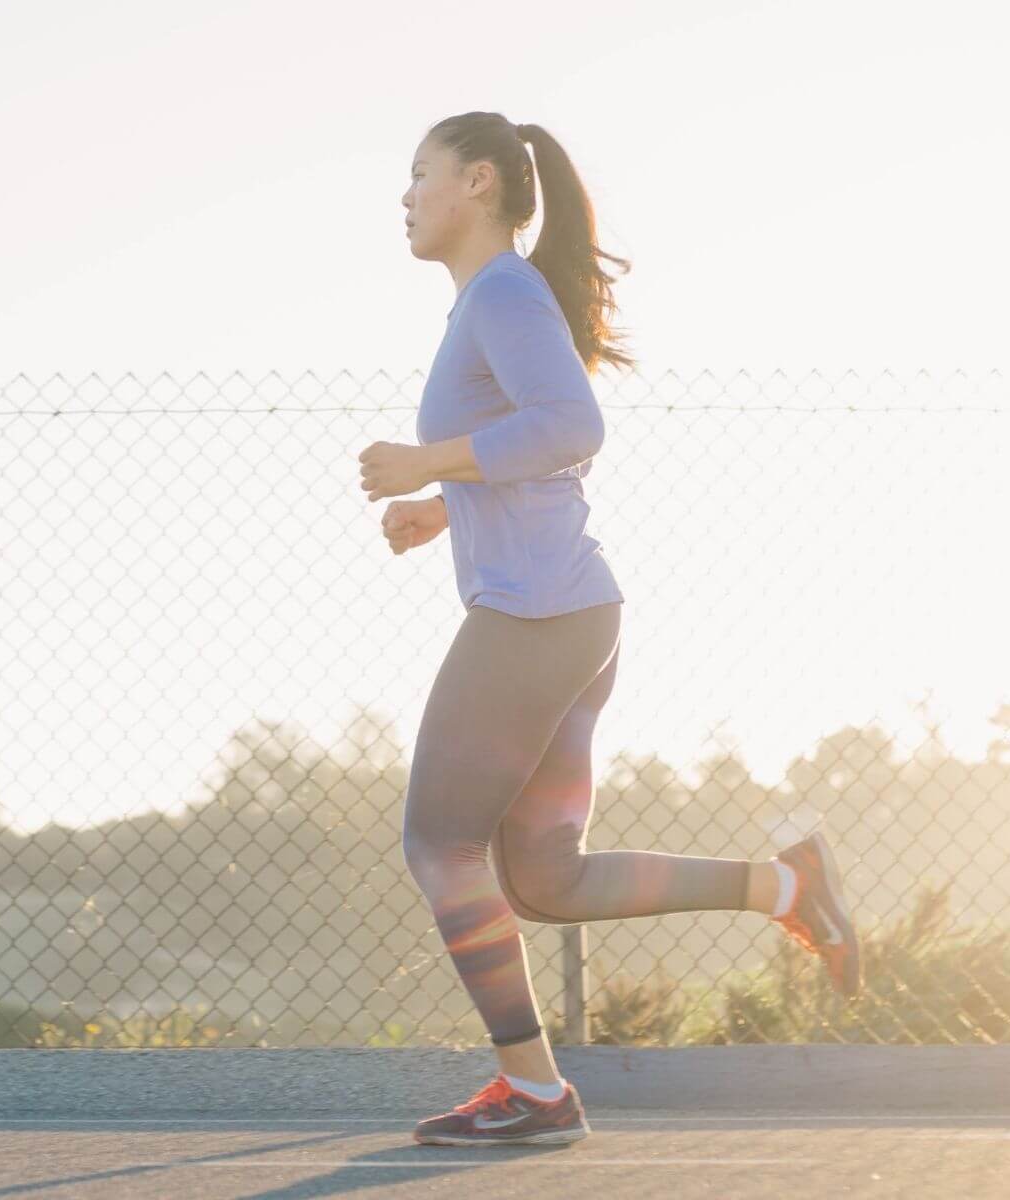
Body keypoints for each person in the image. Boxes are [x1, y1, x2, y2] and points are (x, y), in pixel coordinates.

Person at [356, 111, 863, 1148]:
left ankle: (536, 1094)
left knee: (439, 841)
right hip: (570, 614)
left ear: (481, 183)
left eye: (420, 174)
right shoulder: (490, 301)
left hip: (536, 617)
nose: (403, 196)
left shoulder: (498, 291)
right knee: (542, 878)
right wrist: (443, 505)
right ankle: (786, 885)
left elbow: (571, 427)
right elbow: (542, 450)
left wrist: (428, 462)